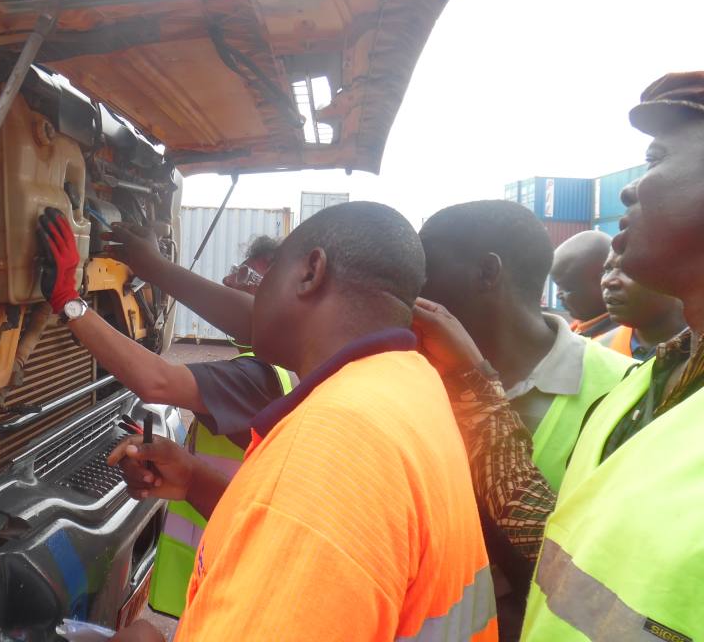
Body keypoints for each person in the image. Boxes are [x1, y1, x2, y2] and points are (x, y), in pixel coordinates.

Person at [108, 202, 496, 642]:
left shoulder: (336, 440)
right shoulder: (408, 382)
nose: (252, 299)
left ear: (311, 271)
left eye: (269, 275)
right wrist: (194, 479)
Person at [415, 71, 704, 641]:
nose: (630, 189)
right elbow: (555, 540)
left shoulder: (618, 378)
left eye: (657, 159)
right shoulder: (652, 382)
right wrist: (475, 385)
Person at [38, 213, 293, 616]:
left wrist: (69, 301)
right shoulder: (279, 369)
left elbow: (156, 382)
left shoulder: (258, 378)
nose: (228, 281)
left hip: (228, 589)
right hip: (222, 579)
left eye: (246, 276)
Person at [417, 200, 633, 491]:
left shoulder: (627, 388)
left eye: (426, 270)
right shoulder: (417, 374)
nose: (414, 287)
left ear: (487, 272)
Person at [597, 248, 686, 360]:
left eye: (629, 269)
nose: (607, 281)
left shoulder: (698, 351)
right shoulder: (599, 352)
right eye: (608, 269)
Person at [550, 230, 617, 337]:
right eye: (558, 286)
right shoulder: (579, 326)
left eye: (567, 288)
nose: (558, 295)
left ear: (606, 281)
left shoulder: (612, 338)